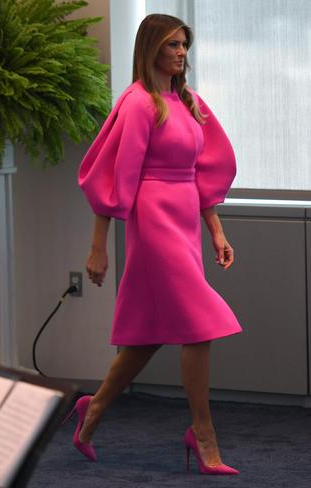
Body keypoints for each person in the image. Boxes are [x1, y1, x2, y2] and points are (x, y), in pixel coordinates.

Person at [64, 13, 243, 476]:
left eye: (185, 44)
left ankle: (94, 410)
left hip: (184, 220)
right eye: (172, 45)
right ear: (151, 50)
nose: (182, 52)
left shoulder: (188, 102)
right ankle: (203, 434)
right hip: (153, 222)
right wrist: (98, 247)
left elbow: (202, 176)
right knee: (199, 324)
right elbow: (111, 177)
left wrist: (216, 231)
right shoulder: (139, 104)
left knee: (148, 335)